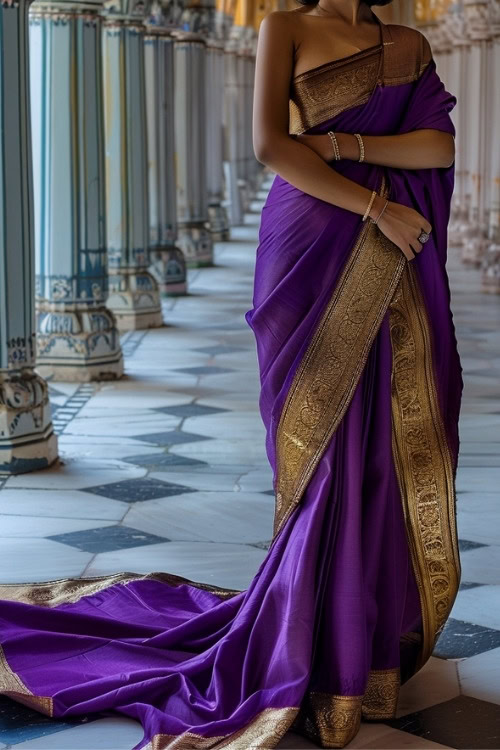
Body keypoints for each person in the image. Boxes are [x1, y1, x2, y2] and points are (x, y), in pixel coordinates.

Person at [0, 2, 463, 749]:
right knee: (315, 453)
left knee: (374, 450)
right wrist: (376, 200)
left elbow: (437, 149)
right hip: (307, 247)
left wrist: (343, 143)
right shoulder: (287, 26)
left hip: (384, 261)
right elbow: (275, 147)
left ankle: (355, 654)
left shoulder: (406, 44)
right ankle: (311, 649)